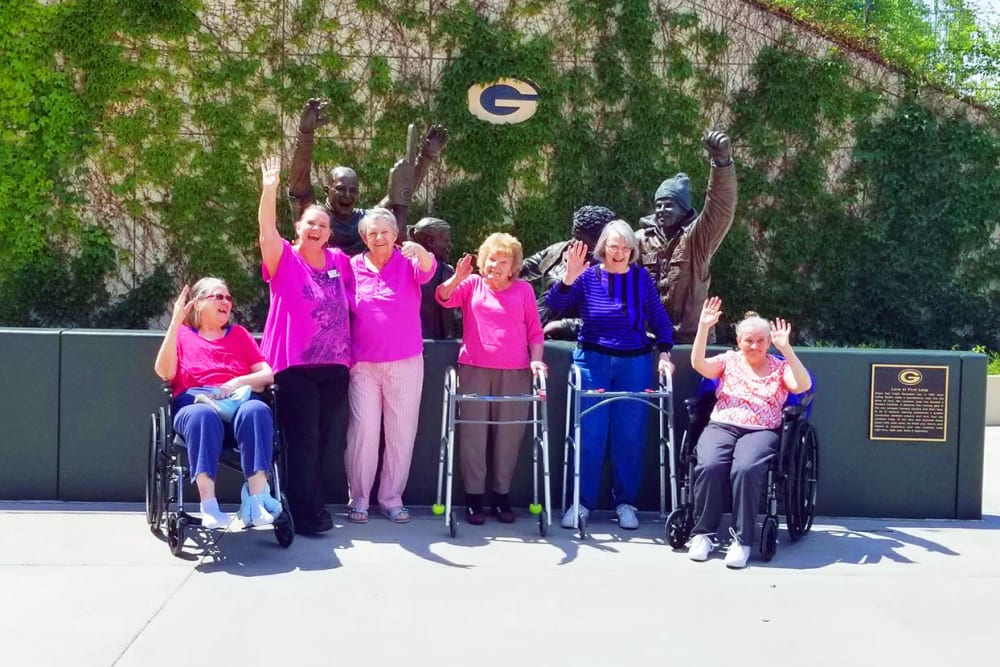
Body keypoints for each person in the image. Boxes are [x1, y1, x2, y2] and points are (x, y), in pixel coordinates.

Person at [546, 220, 674, 530]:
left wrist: (666, 352)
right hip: (593, 361)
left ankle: (626, 503)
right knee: (589, 433)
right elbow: (555, 305)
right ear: (603, 248)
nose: (619, 253)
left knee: (628, 435)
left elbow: (659, 318)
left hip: (635, 363)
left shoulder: (641, 279)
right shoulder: (588, 276)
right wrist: (568, 278)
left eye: (625, 247)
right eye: (613, 246)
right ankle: (580, 503)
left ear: (632, 250)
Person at [258, 156, 355, 535]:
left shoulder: (340, 262)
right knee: (304, 439)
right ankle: (305, 513)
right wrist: (269, 190)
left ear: (331, 232)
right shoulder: (284, 258)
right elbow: (266, 230)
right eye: (310, 223)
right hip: (293, 366)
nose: (316, 228)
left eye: (323, 224)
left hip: (334, 368)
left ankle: (311, 505)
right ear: (298, 228)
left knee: (323, 439)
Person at [686, 297, 812, 569]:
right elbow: (698, 364)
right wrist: (703, 328)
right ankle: (703, 535)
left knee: (744, 469)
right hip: (722, 425)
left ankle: (741, 540)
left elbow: (802, 385)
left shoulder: (780, 367)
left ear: (768, 342)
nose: (754, 346)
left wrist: (787, 349)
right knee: (709, 465)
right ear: (739, 340)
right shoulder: (728, 360)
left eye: (761, 341)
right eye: (748, 340)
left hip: (762, 430)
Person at [436, 233, 546, 524]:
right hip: (474, 368)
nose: (495, 265)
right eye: (491, 259)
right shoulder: (472, 285)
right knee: (473, 435)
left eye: (503, 260)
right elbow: (443, 298)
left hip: (515, 371)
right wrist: (456, 278)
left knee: (508, 437)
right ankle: (473, 499)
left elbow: (535, 331)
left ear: (513, 266)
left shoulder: (523, 291)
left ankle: (501, 496)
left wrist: (536, 360)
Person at [153, 277, 279, 530]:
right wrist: (175, 323)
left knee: (257, 409)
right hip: (196, 403)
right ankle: (209, 506)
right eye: (218, 296)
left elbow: (268, 374)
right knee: (202, 415)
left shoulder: (240, 335)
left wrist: (237, 381)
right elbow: (164, 372)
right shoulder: (182, 335)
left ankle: (256, 502)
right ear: (198, 303)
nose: (226, 302)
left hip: (237, 402)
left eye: (228, 298)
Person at [345, 208, 436, 524]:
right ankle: (359, 498)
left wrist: (421, 250)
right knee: (363, 434)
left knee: (401, 434)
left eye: (385, 231)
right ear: (364, 238)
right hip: (364, 365)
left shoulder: (409, 262)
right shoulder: (352, 267)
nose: (379, 237)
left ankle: (391, 499)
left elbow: (430, 270)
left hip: (405, 362)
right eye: (372, 233)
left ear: (396, 234)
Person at [287, 98, 449, 255]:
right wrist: (305, 134)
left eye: (353, 190)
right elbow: (299, 183)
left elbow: (400, 194)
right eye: (340, 189)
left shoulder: (367, 220)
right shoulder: (317, 219)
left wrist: (426, 157)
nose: (347, 195)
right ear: (326, 190)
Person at [637, 130, 737, 344]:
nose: (662, 210)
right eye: (658, 205)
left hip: (691, 340)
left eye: (669, 205)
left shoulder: (697, 238)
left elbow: (719, 207)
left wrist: (721, 164)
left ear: (683, 208)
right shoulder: (640, 240)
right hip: (649, 338)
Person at [520, 204, 616, 340]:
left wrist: (565, 326)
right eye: (574, 236)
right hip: (532, 332)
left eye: (582, 241)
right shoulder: (558, 251)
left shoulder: (612, 267)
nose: (574, 243)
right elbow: (526, 267)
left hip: (571, 346)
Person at [409, 217, 458, 339]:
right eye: (446, 241)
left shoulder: (447, 272)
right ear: (430, 242)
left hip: (441, 345)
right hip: (413, 345)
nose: (450, 246)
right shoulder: (407, 270)